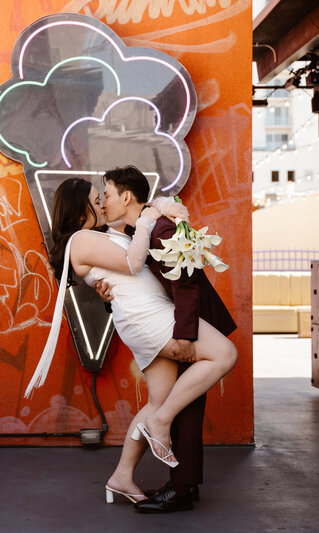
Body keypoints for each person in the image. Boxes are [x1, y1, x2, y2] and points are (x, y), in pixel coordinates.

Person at [28, 172, 237, 513]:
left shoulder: (101, 235)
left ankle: (122, 476)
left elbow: (129, 258)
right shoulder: (79, 240)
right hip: (148, 318)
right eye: (96, 198)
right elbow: (132, 261)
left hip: (146, 316)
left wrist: (159, 209)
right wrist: (147, 222)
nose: (101, 201)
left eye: (104, 195)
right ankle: (162, 422)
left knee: (158, 401)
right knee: (224, 355)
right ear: (80, 208)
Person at [96, 166, 238, 513]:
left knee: (184, 408)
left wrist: (186, 336)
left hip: (186, 322)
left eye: (108, 194)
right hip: (173, 322)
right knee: (185, 406)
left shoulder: (161, 228)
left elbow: (185, 283)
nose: (103, 203)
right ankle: (184, 486)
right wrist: (107, 294)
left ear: (126, 196)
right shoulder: (140, 230)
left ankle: (182, 488)